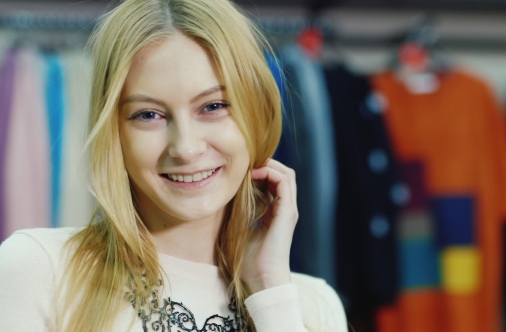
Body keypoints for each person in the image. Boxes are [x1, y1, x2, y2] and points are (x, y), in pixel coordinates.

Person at [0, 0, 348, 331]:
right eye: (148, 114)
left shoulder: (314, 305)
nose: (185, 148)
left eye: (213, 106)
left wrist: (270, 288)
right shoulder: (38, 269)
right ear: (114, 132)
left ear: (256, 113)